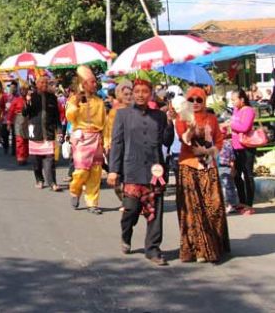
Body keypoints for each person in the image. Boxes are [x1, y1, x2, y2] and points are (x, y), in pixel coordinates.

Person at [108, 80, 174, 266]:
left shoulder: (159, 116)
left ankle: (153, 248)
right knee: (131, 209)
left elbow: (167, 142)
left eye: (145, 91)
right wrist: (114, 170)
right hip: (132, 169)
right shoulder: (123, 115)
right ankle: (126, 234)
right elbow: (117, 143)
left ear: (151, 93)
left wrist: (170, 123)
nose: (140, 95)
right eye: (137, 91)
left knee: (156, 212)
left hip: (155, 170)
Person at [174, 86, 230, 263]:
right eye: (192, 100)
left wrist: (208, 151)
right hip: (189, 166)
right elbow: (184, 139)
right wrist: (190, 129)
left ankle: (214, 245)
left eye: (199, 100)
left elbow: (219, 142)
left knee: (214, 208)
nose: (196, 103)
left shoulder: (212, 118)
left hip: (208, 167)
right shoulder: (182, 117)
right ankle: (198, 249)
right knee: (193, 210)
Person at [66, 66, 106, 215]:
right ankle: (75, 189)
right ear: (84, 84)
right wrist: (76, 103)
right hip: (82, 139)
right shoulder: (74, 99)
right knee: (82, 171)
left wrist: (106, 141)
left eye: (95, 82)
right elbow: (70, 117)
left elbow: (105, 124)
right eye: (92, 82)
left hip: (96, 138)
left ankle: (92, 203)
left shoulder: (99, 102)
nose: (95, 85)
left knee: (95, 172)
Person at [23, 75, 63, 191]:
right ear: (36, 84)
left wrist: (59, 131)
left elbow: (56, 116)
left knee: (50, 159)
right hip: (35, 133)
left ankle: (53, 183)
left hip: (49, 133)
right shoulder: (32, 97)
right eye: (42, 83)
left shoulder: (53, 98)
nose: (44, 85)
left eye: (46, 83)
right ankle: (39, 179)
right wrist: (28, 103)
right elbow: (25, 113)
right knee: (36, 161)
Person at [104, 80, 133, 205]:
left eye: (130, 94)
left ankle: (130, 202)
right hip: (115, 148)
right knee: (117, 180)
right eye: (125, 94)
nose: (128, 96)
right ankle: (124, 200)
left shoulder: (136, 110)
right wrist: (106, 144)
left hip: (132, 149)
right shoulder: (114, 112)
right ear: (119, 95)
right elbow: (108, 130)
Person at [229, 88, 257, 214]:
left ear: (242, 99)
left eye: (234, 99)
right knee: (236, 174)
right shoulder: (236, 110)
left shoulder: (249, 111)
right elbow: (235, 125)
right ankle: (242, 200)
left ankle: (249, 204)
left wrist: (231, 125)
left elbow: (244, 127)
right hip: (236, 146)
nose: (233, 102)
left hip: (247, 147)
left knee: (248, 174)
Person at [8, 84, 29, 165]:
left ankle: (25, 156)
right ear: (20, 91)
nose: (24, 91)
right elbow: (11, 112)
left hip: (28, 121)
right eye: (22, 90)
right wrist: (9, 123)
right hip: (19, 120)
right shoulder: (16, 100)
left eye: (25, 90)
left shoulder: (29, 100)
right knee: (20, 140)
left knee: (26, 140)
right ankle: (20, 157)